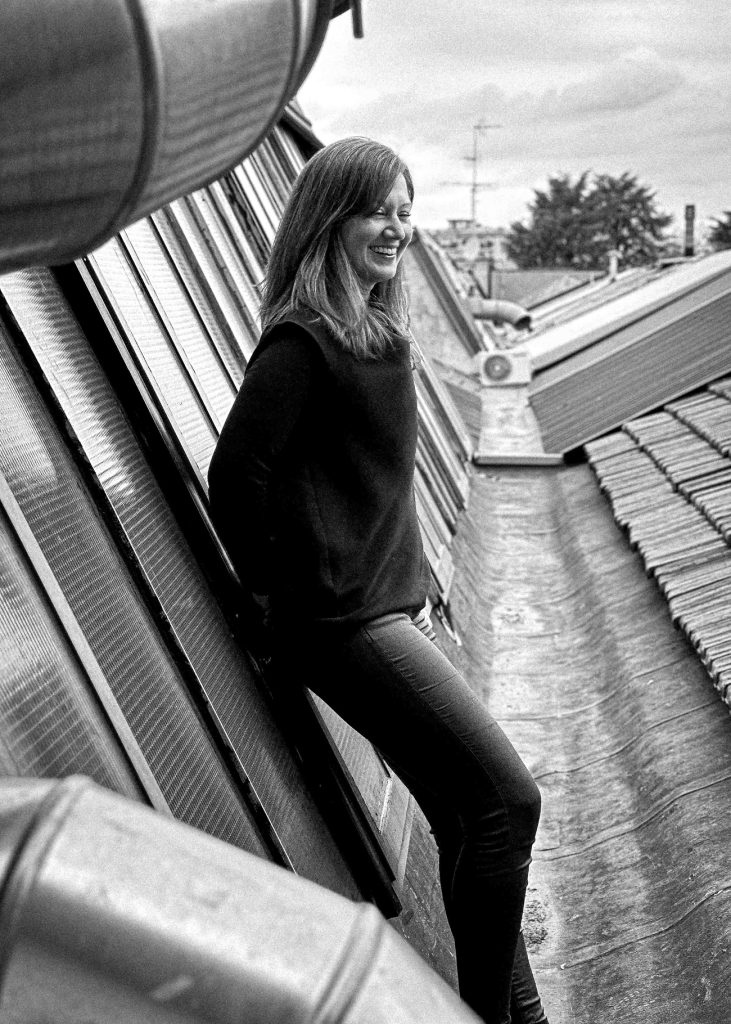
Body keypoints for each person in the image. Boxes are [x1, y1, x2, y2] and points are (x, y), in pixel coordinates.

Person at [208, 137, 548, 1024]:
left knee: (468, 819)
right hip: (348, 625)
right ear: (330, 219)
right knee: (509, 802)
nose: (396, 227)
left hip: (394, 608)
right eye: (376, 211)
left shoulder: (374, 330)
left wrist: (415, 586)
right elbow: (234, 477)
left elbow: (371, 490)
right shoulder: (303, 340)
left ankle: (523, 1016)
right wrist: (278, 595)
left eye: (405, 210)